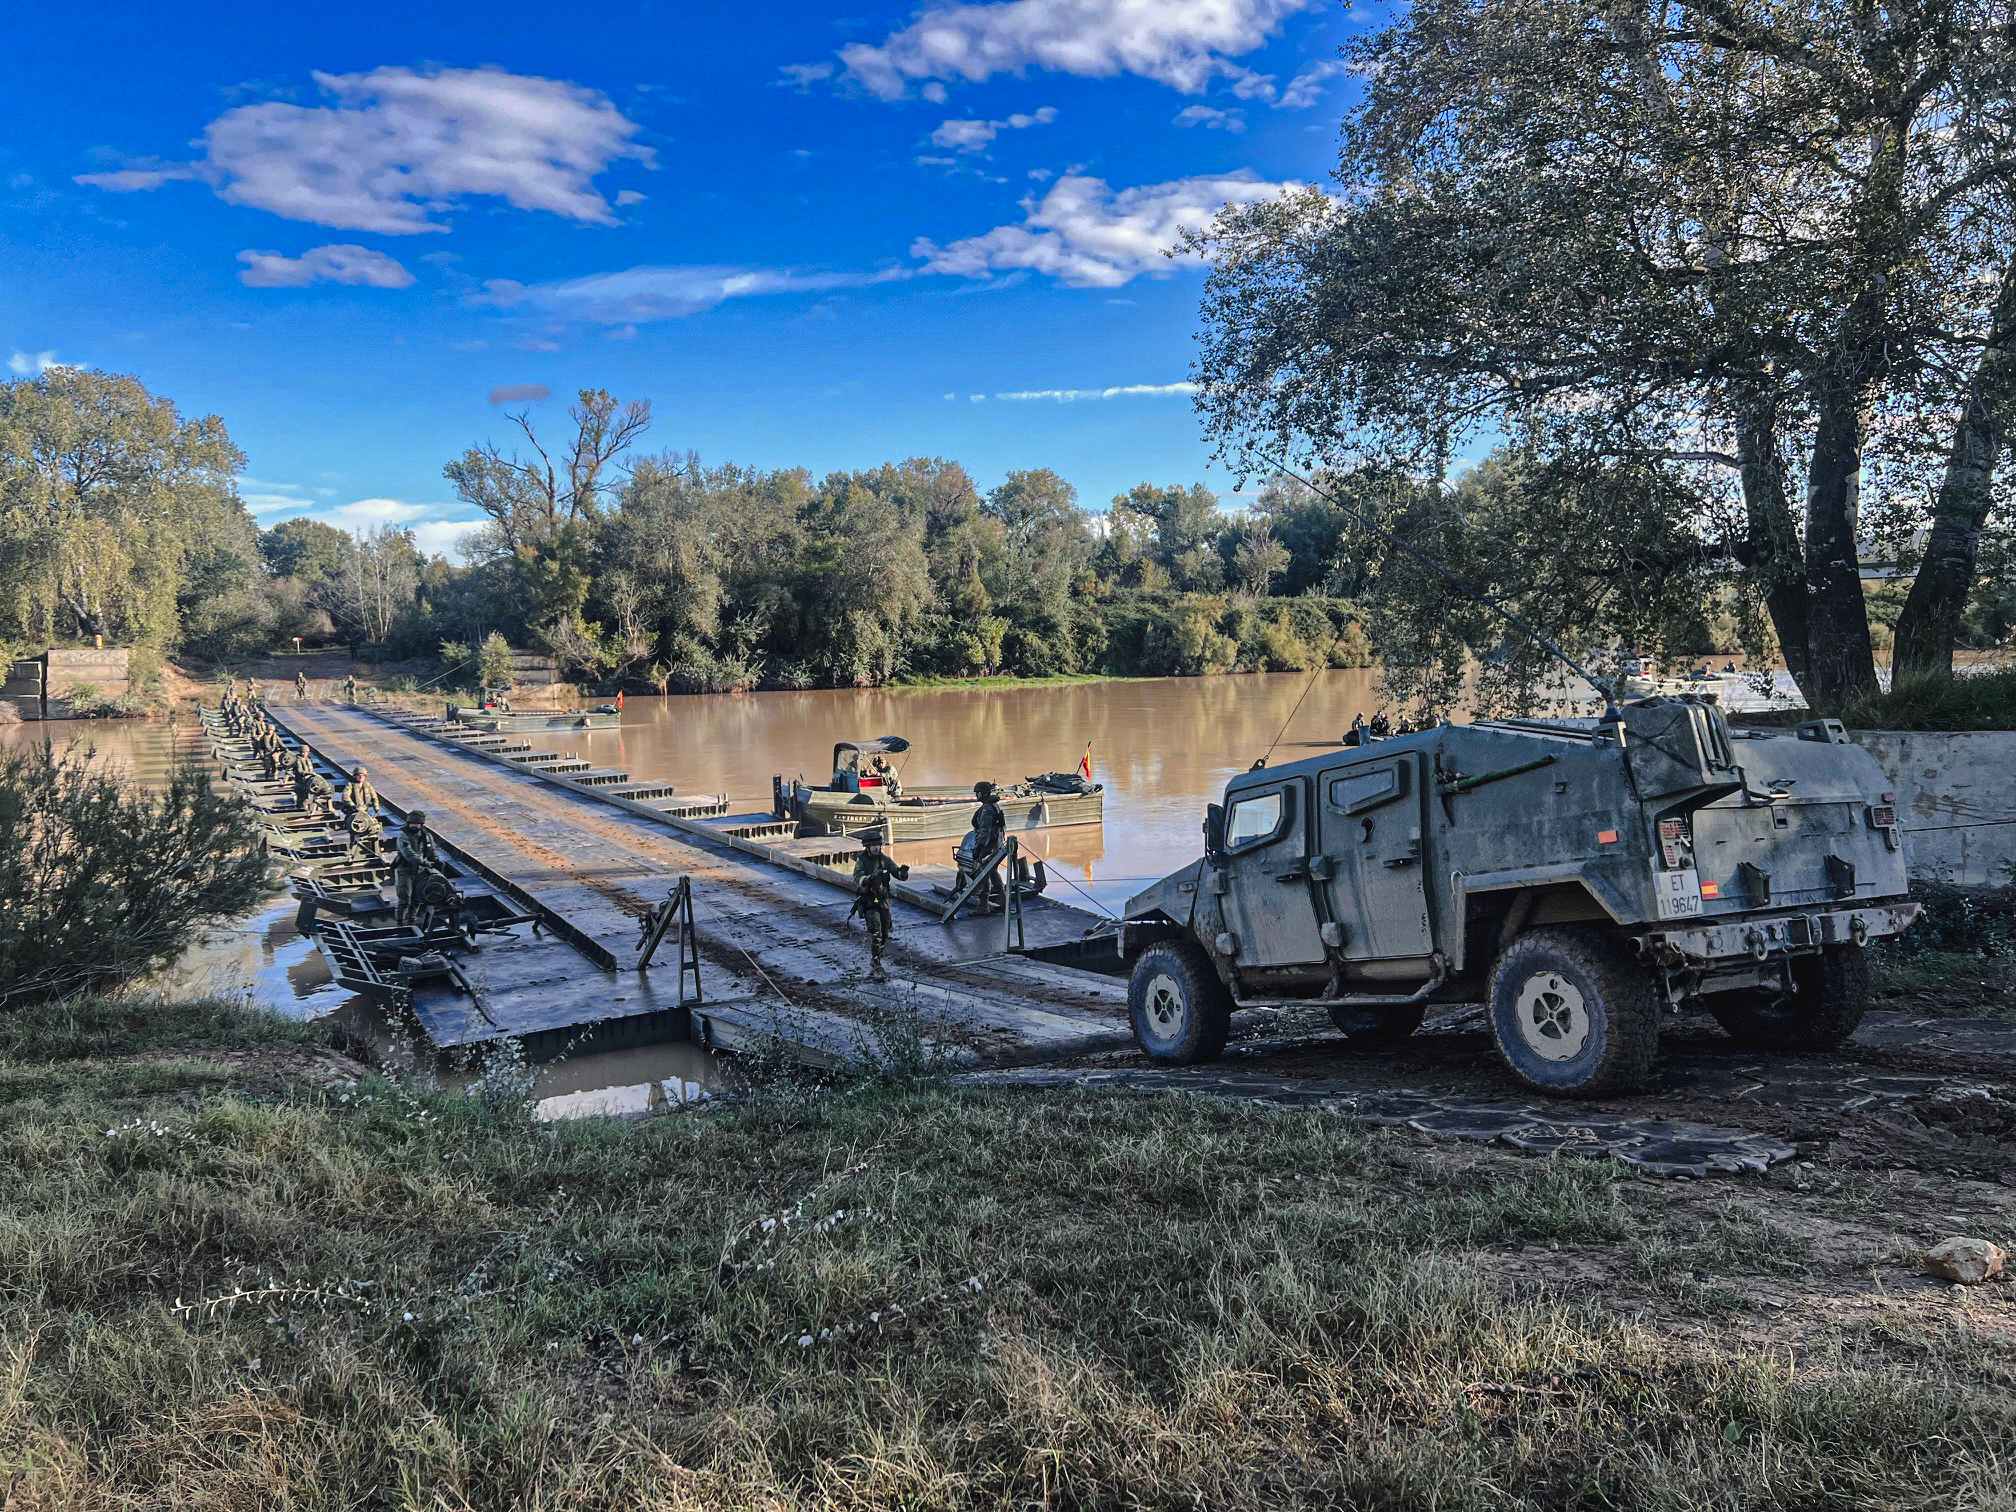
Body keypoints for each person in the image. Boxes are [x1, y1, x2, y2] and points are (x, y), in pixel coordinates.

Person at [850, 831, 909, 980]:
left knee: (885, 932)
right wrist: (867, 879)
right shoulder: (862, 861)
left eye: (878, 844)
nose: (876, 848)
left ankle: (878, 956)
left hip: (883, 900)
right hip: (870, 899)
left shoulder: (885, 860)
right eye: (873, 845)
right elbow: (857, 877)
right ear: (867, 846)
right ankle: (876, 963)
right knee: (875, 932)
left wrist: (903, 872)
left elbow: (897, 874)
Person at [394, 811, 441, 925]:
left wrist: (436, 861)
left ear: (421, 825)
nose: (413, 826)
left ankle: (411, 922)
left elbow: (432, 852)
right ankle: (400, 924)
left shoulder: (427, 837)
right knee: (404, 899)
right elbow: (409, 854)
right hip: (405, 872)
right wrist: (424, 862)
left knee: (417, 900)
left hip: (420, 872)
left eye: (416, 823)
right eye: (411, 823)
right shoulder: (403, 836)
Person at [968, 780, 1007, 909]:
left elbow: (985, 831)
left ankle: (983, 906)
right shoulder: (994, 805)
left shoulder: (987, 809)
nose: (975, 796)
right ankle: (1003, 899)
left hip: (988, 846)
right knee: (992, 871)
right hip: (996, 845)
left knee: (982, 873)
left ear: (983, 794)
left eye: (977, 793)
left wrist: (978, 850)